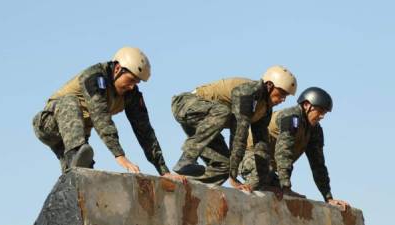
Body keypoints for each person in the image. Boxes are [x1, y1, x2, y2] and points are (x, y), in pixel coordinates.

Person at [32, 46, 186, 183]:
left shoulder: (131, 95)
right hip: (48, 123)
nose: (132, 86)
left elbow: (145, 131)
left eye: (136, 83)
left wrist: (163, 171)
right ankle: (75, 154)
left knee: (82, 179)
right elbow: (100, 115)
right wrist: (119, 155)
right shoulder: (95, 77)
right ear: (118, 69)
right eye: (131, 80)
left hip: (74, 136)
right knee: (69, 102)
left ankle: (73, 177)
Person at [171, 66, 297, 191]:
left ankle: (185, 187)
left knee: (224, 166)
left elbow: (261, 145)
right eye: (281, 94)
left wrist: (264, 180)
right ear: (269, 85)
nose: (283, 99)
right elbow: (239, 134)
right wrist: (233, 176)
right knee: (223, 112)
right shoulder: (248, 92)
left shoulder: (265, 109)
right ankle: (186, 159)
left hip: (206, 126)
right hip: (186, 104)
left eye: (286, 96)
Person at [239, 87, 350, 210]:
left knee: (276, 189)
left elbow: (318, 165)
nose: (322, 116)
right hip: (249, 156)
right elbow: (284, 153)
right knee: (263, 180)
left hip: (268, 168)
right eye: (320, 111)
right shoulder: (291, 118)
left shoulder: (315, 131)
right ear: (307, 105)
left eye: (325, 113)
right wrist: (286, 188)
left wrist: (328, 198)